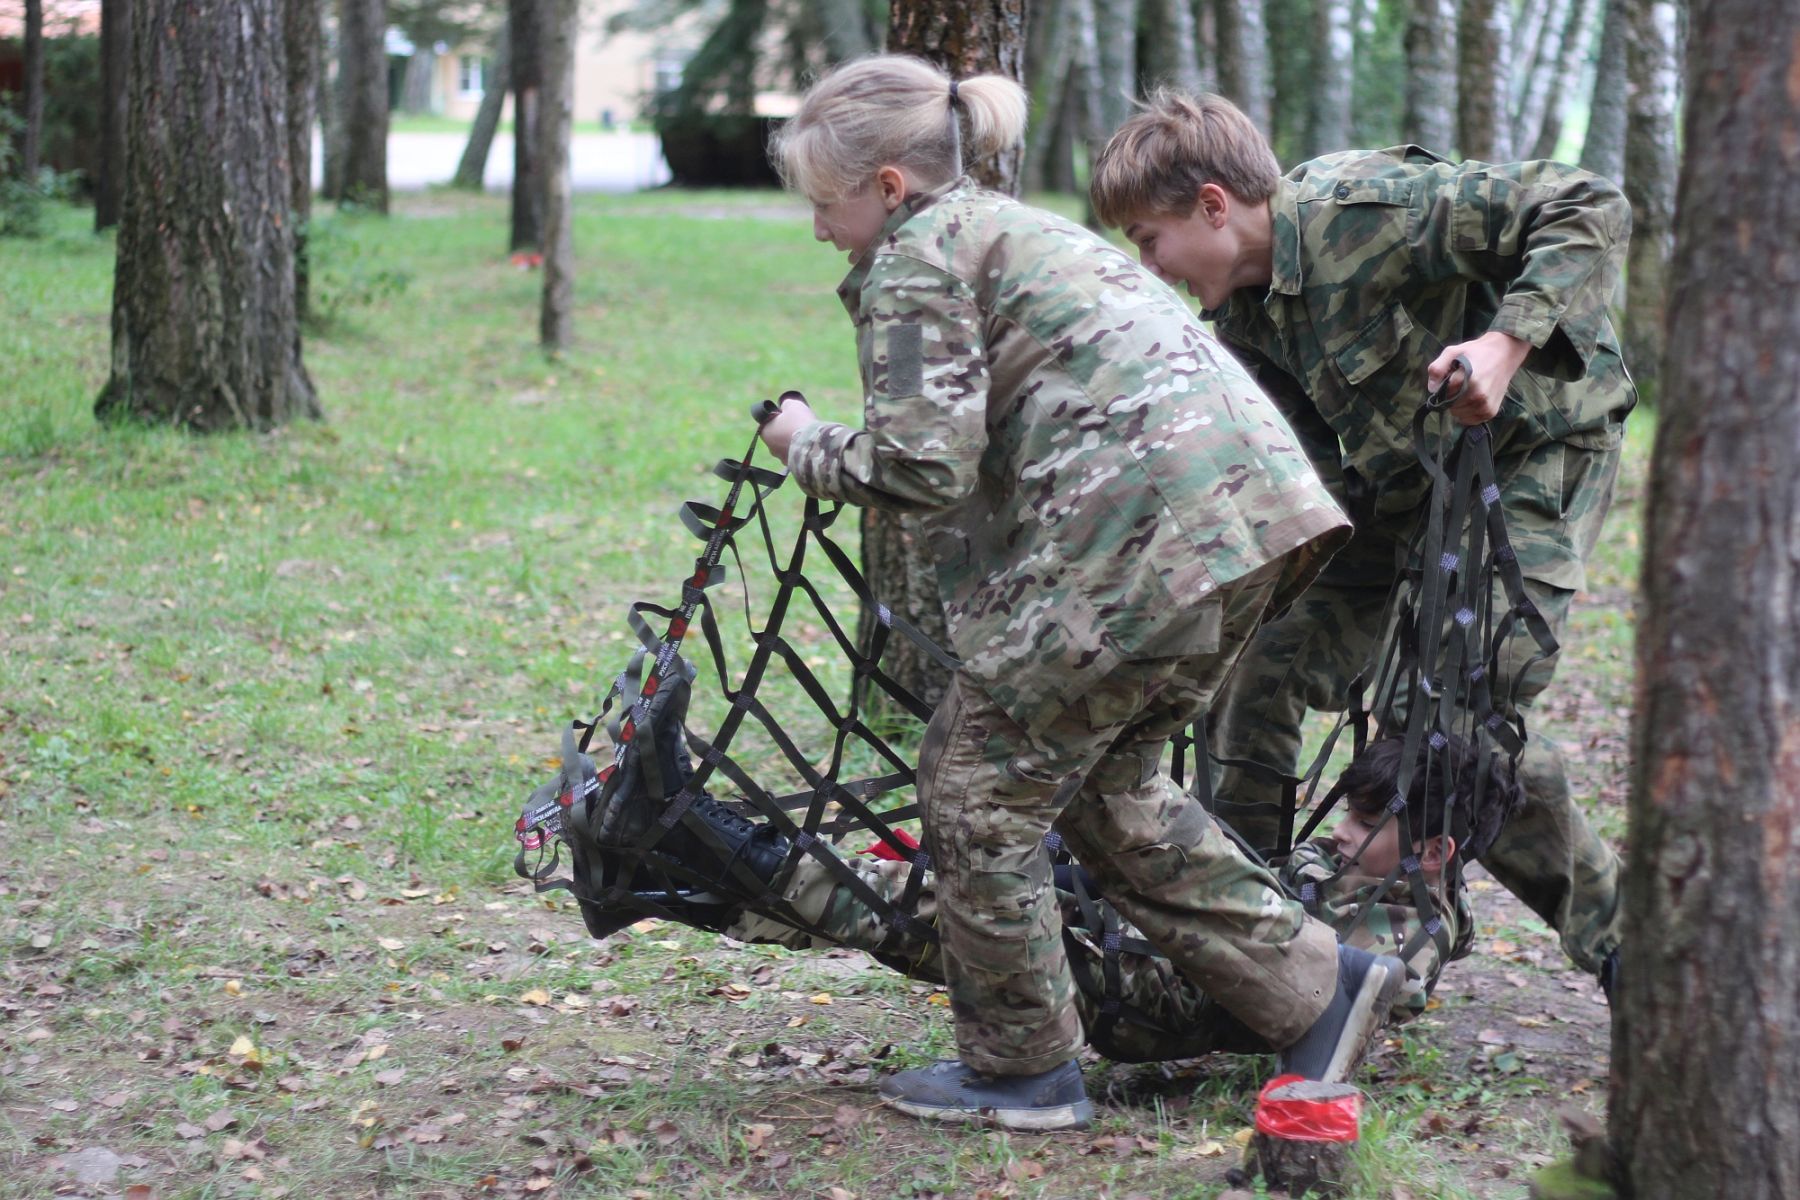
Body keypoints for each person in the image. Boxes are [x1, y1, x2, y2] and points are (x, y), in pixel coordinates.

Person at [583, 54, 1414, 1133]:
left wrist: (803, 442)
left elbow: (921, 468)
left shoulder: (919, 256)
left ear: (887, 186)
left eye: (824, 203)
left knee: (973, 782)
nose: (818, 228)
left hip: (1140, 538)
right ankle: (1323, 990)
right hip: (1247, 521)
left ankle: (1024, 1070)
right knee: (1111, 790)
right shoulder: (1001, 226)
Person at [1087, 93, 1633, 992]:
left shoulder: (1365, 210)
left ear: (1214, 206)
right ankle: (1248, 928)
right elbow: (1311, 476)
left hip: (1535, 455)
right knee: (1256, 666)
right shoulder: (1248, 318)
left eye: (1150, 238)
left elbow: (1587, 203)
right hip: (1406, 483)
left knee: (1461, 720)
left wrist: (1504, 344)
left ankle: (1630, 955)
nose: (1151, 265)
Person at [576, 730, 1521, 1068]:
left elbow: (1376, 993)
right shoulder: (1354, 859)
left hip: (1141, 1000)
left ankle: (675, 821)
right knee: (909, 898)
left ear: (1434, 848)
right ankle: (655, 875)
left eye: (1366, 819)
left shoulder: (1412, 927)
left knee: (912, 912)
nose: (1343, 830)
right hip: (1143, 939)